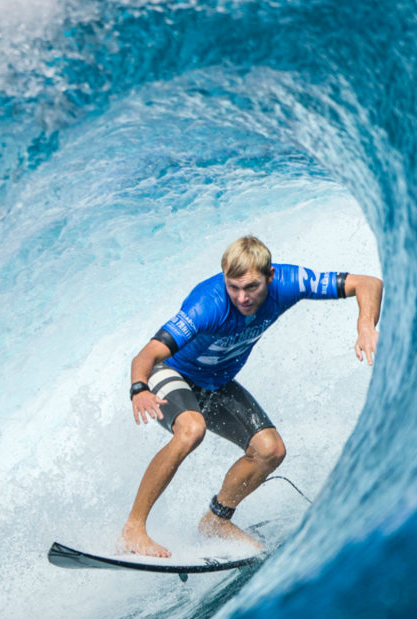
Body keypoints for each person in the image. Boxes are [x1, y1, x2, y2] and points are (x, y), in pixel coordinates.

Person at [120, 235, 382, 558]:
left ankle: (216, 520)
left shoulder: (289, 283)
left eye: (251, 287)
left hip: (216, 382)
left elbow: (367, 283)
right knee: (191, 430)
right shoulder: (208, 305)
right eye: (234, 287)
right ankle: (133, 529)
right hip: (170, 374)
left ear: (269, 276)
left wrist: (365, 324)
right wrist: (139, 389)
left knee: (270, 451)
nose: (242, 297)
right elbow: (145, 356)